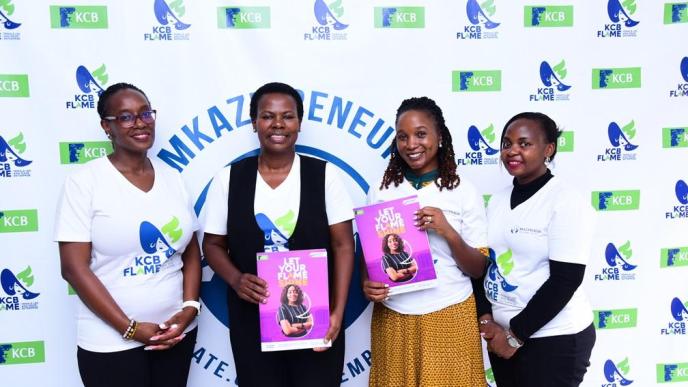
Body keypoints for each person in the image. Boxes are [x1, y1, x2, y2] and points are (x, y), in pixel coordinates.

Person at [201, 82, 355, 386]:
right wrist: (235, 279)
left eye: (288, 116)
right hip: (252, 323)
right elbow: (213, 245)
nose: (278, 125)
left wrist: (337, 312)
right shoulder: (229, 179)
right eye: (268, 116)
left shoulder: (324, 175)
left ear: (299, 123)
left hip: (316, 321)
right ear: (254, 122)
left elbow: (343, 245)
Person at [54, 83, 201, 387]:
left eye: (145, 113)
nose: (140, 122)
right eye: (125, 117)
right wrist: (130, 329)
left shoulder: (173, 179)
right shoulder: (84, 183)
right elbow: (73, 268)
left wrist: (189, 309)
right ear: (106, 127)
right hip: (110, 343)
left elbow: (190, 253)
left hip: (175, 335)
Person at [363, 96, 488, 387]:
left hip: (450, 312)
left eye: (421, 134)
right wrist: (366, 283)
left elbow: (478, 267)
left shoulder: (463, 192)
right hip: (394, 316)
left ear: (439, 137)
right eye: (402, 137)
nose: (411, 144)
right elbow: (368, 257)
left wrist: (447, 231)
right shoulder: (381, 190)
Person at [476, 112, 596, 387]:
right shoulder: (497, 200)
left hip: (554, 340)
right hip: (502, 338)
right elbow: (485, 264)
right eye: (506, 144)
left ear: (548, 149)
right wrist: (486, 320)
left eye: (524, 143)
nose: (512, 151)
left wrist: (515, 336)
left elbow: (565, 280)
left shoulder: (565, 201)